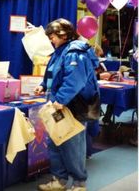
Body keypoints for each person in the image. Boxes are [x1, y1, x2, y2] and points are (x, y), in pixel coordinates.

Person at [34, 18, 99, 191]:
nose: (50, 39)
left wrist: (60, 100)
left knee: (73, 147)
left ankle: (79, 183)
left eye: (53, 36)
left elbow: (74, 81)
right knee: (55, 142)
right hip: (59, 105)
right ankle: (60, 180)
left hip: (72, 107)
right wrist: (43, 84)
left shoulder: (75, 52)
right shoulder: (61, 51)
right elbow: (54, 73)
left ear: (64, 35)